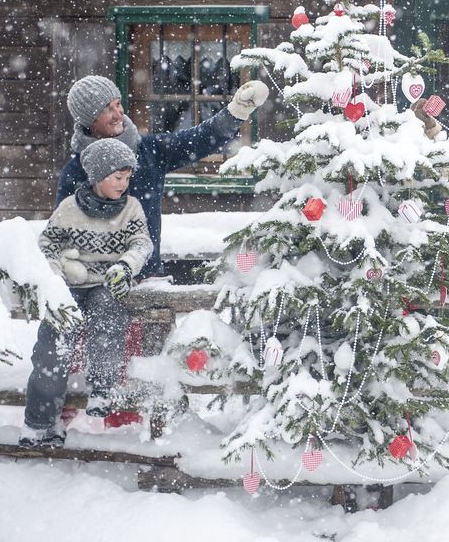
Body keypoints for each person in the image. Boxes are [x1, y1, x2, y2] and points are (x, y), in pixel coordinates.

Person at [58, 74, 269, 278]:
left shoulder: (149, 151)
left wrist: (237, 111)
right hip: (96, 285)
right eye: (107, 109)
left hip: (147, 279)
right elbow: (62, 235)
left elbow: (200, 139)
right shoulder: (76, 172)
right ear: (89, 120)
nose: (118, 113)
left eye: (118, 104)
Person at [21, 138, 151, 446]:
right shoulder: (68, 209)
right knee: (52, 348)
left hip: (107, 282)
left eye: (128, 178)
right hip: (70, 286)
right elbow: (48, 245)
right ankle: (40, 421)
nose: (124, 184)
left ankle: (102, 388)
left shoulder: (131, 209)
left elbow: (142, 243)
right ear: (96, 177)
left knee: (108, 318)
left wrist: (125, 266)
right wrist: (54, 276)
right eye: (117, 177)